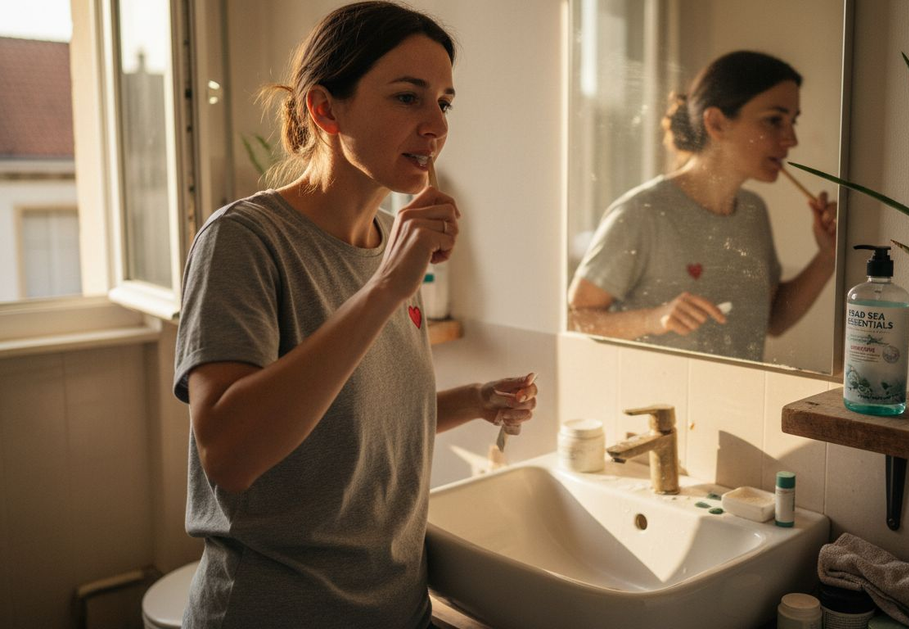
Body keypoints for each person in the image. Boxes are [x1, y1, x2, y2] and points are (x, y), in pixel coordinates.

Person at [172, 3, 537, 628]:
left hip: (395, 609)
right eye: (406, 98)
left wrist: (474, 400)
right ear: (324, 108)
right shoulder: (245, 240)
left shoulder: (391, 239)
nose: (435, 126)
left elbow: (353, 418)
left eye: (443, 103)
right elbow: (229, 454)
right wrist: (388, 287)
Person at [568, 50, 837, 361]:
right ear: (717, 123)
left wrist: (827, 256)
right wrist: (655, 319)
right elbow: (575, 318)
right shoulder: (643, 212)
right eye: (774, 120)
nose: (791, 139)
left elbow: (772, 321)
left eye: (792, 122)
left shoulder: (753, 212)